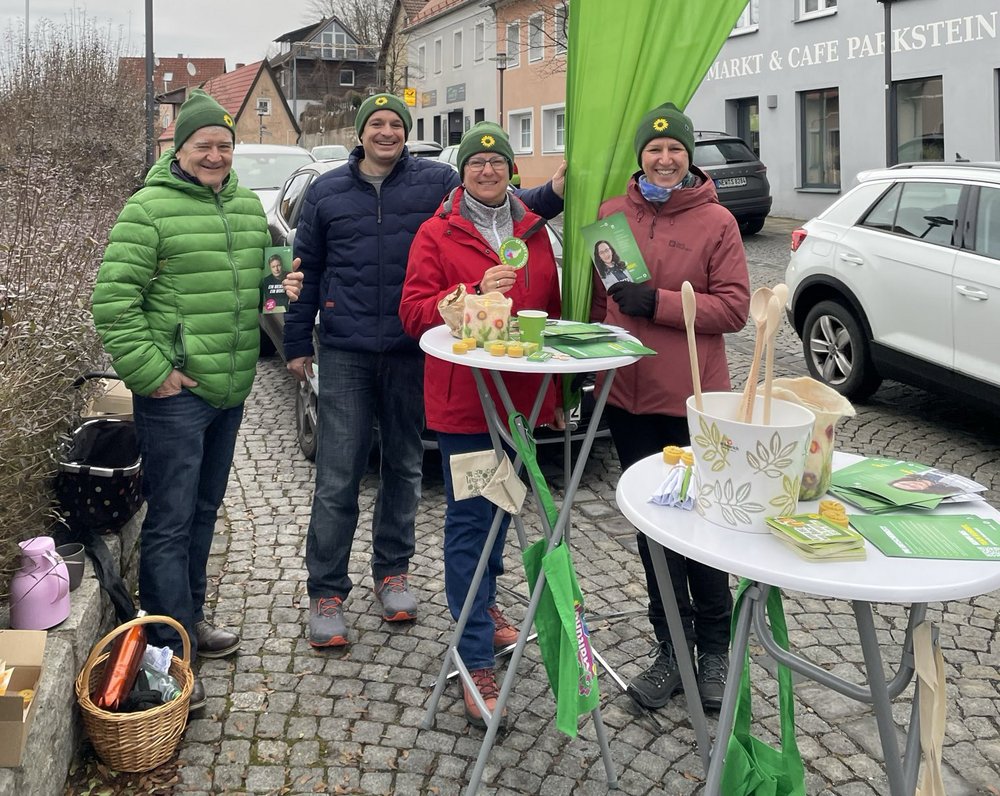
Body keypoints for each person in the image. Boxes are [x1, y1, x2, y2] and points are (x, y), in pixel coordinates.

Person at [283, 94, 564, 649]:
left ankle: (393, 571)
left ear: (405, 133)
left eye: (395, 124)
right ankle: (326, 590)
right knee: (339, 472)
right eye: (376, 124)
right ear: (361, 133)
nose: (386, 132)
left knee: (406, 467)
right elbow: (305, 268)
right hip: (346, 348)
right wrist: (297, 340)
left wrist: (552, 193)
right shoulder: (326, 191)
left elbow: (496, 200)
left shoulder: (434, 181)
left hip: (417, 349)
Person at [91, 89, 271, 711]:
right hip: (175, 395)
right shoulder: (148, 210)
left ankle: (188, 622)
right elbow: (114, 303)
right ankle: (168, 662)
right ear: (181, 149)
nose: (216, 155)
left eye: (224, 145)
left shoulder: (248, 208)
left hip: (229, 389)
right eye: (204, 146)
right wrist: (153, 371)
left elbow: (256, 284)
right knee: (168, 522)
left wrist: (281, 283)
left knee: (203, 510)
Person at [399, 122, 563, 727]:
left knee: (503, 508)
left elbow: (552, 307)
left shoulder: (535, 229)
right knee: (471, 521)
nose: (488, 170)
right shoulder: (436, 232)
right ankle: (473, 660)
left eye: (497, 161)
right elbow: (415, 313)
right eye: (477, 163)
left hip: (523, 404)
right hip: (467, 408)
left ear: (511, 171)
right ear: (461, 171)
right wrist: (472, 290)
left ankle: (486, 608)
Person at [590, 102, 750, 712]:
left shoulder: (716, 224)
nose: (663, 159)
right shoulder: (610, 218)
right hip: (626, 400)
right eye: (654, 151)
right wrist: (591, 371)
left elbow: (734, 310)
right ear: (640, 157)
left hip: (690, 403)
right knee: (653, 533)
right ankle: (670, 649)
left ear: (688, 157)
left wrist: (655, 301)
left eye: (675, 151)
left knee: (698, 527)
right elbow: (603, 312)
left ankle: (713, 651)